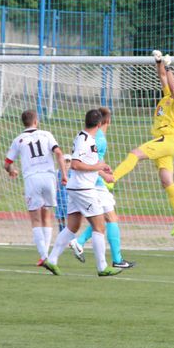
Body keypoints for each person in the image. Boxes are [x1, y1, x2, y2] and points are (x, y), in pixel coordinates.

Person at [110, 50, 174, 236]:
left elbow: (172, 85)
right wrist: (159, 62)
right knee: (166, 180)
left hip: (166, 140)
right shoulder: (168, 96)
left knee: (135, 153)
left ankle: (112, 179)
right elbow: (163, 77)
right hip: (167, 145)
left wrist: (169, 67)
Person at [42, 108, 123, 277]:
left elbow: (89, 163)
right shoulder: (84, 140)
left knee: (73, 226)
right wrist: (98, 166)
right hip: (83, 189)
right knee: (99, 226)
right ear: (99, 124)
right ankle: (102, 267)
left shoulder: (87, 138)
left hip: (77, 187)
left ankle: (52, 259)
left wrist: (102, 169)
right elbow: (76, 164)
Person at [68, 107, 136, 269]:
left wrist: (104, 172)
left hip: (92, 183)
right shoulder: (98, 139)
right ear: (107, 121)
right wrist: (104, 175)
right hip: (94, 184)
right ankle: (116, 260)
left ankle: (79, 242)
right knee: (110, 218)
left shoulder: (96, 136)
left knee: (101, 219)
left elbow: (94, 161)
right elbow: (89, 163)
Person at [4, 109, 68, 266]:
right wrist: (64, 175)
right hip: (49, 178)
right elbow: (59, 153)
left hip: (32, 179)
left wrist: (12, 171)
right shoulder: (47, 135)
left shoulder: (19, 140)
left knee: (35, 219)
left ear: (23, 123)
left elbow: (7, 164)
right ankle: (48, 256)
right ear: (36, 121)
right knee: (47, 217)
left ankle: (44, 255)